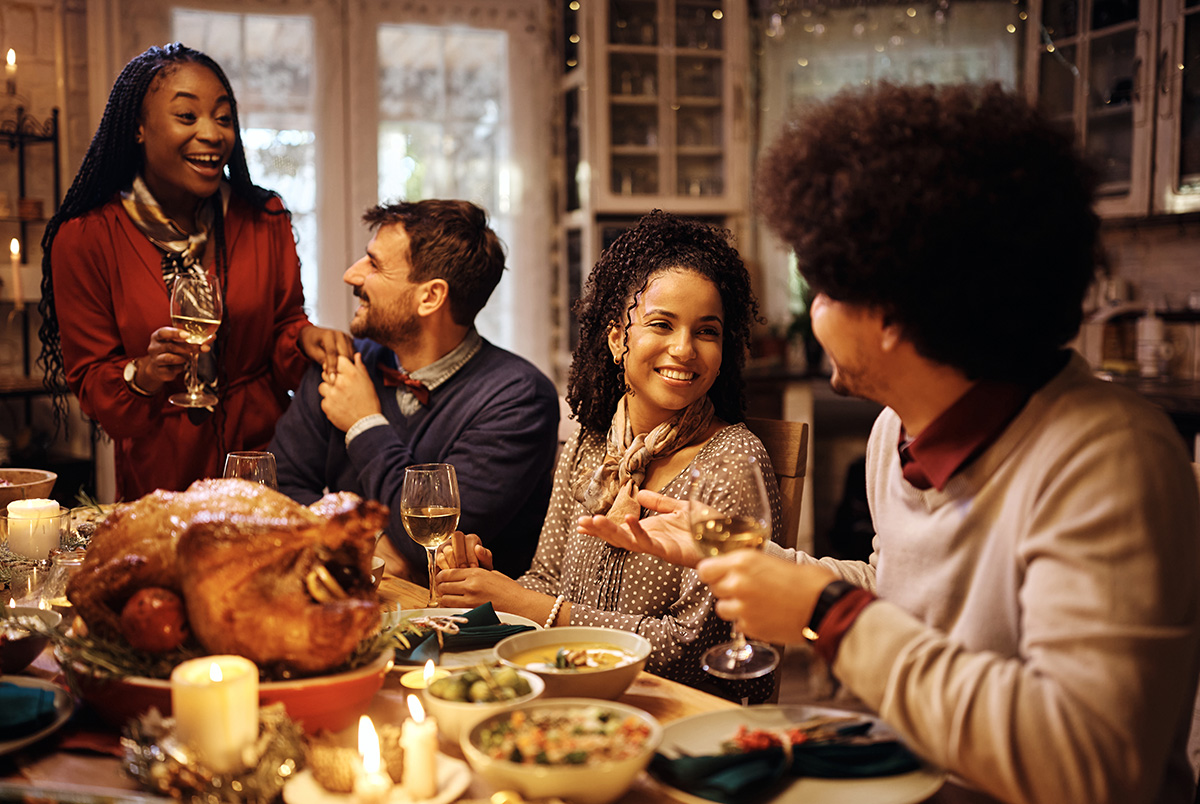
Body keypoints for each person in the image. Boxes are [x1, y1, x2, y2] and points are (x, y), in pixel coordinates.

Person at [582, 83, 1200, 804]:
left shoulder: (1109, 460)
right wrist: (754, 562)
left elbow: (1093, 764)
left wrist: (826, 615)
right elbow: (907, 601)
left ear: (895, 314)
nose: (812, 314)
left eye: (825, 289)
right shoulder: (896, 429)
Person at [435, 210, 783, 702]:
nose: (684, 349)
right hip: (577, 696)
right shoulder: (590, 445)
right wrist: (494, 588)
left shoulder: (731, 462)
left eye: (707, 331)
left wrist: (534, 608)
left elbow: (697, 647)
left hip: (677, 713)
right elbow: (548, 578)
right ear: (618, 339)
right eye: (662, 324)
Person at [39, 43, 351, 500]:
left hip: (264, 462)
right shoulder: (87, 237)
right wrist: (145, 373)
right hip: (160, 476)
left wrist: (304, 338)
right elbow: (93, 383)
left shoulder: (263, 217)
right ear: (139, 129)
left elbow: (282, 328)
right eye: (187, 116)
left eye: (223, 118)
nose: (212, 133)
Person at [269, 199, 559, 580]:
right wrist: (367, 546)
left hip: (465, 629)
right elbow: (274, 493)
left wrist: (364, 424)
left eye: (374, 264)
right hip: (342, 602)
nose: (351, 275)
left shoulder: (520, 399)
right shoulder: (343, 361)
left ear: (430, 297)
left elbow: (428, 543)